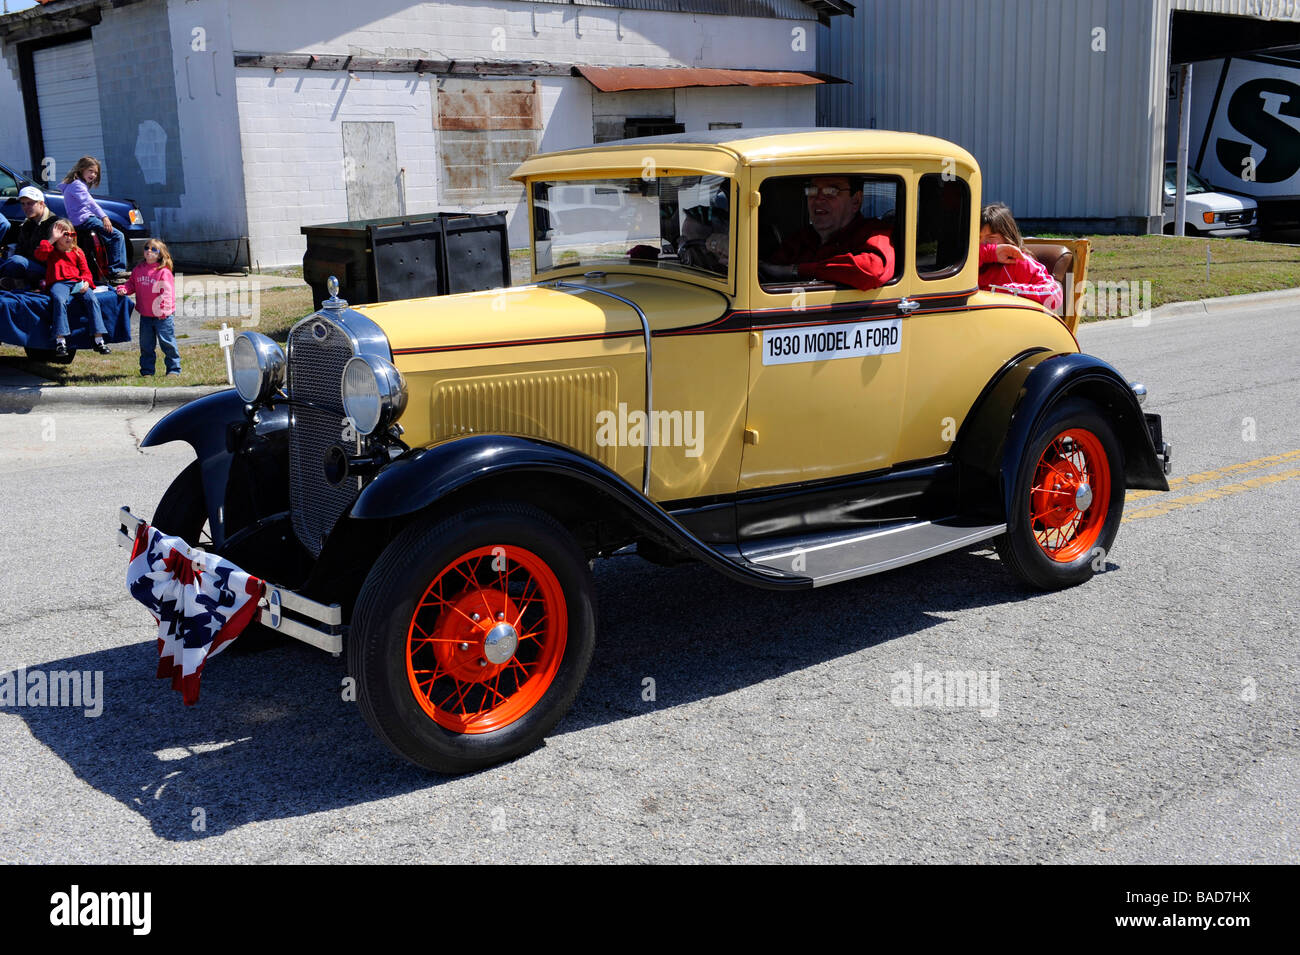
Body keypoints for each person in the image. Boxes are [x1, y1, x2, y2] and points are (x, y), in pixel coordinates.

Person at [759, 175, 895, 291]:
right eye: (812, 191)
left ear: (856, 201)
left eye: (831, 191)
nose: (818, 200)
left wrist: (798, 270)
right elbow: (771, 272)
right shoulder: (801, 238)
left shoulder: (874, 232)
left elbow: (872, 271)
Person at [34, 218, 110, 358]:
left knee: (92, 299)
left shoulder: (77, 251)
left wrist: (87, 282)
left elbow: (86, 271)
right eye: (65, 235)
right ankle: (60, 341)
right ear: (57, 236)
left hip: (77, 282)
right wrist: (52, 239)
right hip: (59, 283)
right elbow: (39, 254)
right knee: (59, 299)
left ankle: (99, 339)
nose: (69, 238)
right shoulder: (51, 251)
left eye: (72, 235)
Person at [978, 202, 1063, 311]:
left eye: (991, 237)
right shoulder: (968, 261)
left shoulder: (1019, 261)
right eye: (978, 237)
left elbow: (1054, 293)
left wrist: (1010, 291)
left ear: (1007, 236)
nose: (982, 243)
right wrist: (987, 253)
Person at [60, 156, 129, 284]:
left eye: (96, 172)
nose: (93, 175)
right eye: (90, 171)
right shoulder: (77, 185)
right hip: (85, 220)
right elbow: (90, 203)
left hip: (81, 220)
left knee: (108, 237)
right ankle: (116, 271)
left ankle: (107, 267)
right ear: (82, 169)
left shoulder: (75, 184)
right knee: (117, 236)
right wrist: (104, 217)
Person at [117, 238, 180, 377]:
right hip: (145, 315)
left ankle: (173, 369)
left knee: (167, 343)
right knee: (146, 345)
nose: (149, 251)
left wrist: (163, 310)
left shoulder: (163, 272)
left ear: (160, 254)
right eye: (146, 248)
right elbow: (131, 284)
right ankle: (147, 371)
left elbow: (167, 293)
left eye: (153, 249)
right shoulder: (139, 269)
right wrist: (124, 289)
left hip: (162, 316)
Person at [0, 186, 58, 290]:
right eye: (23, 204)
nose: (25, 207)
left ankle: (23, 283)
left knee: (17, 261)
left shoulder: (55, 224)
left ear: (41, 204)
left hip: (47, 271)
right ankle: (20, 283)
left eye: (30, 203)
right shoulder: (27, 224)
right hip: (27, 266)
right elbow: (20, 250)